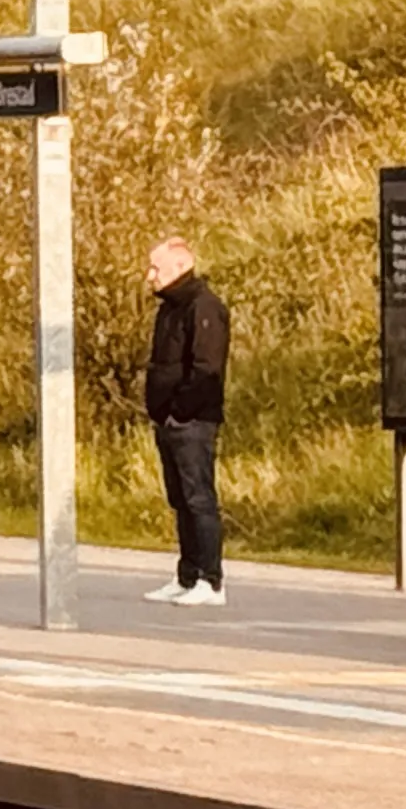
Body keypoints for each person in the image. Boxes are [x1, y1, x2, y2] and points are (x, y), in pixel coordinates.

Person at [142, 234, 230, 608]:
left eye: (156, 268)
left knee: (199, 499)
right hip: (169, 421)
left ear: (181, 267)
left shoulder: (204, 306)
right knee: (180, 500)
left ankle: (211, 581)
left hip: (193, 422)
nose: (149, 276)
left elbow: (207, 368)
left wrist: (180, 410)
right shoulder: (169, 308)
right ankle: (187, 574)